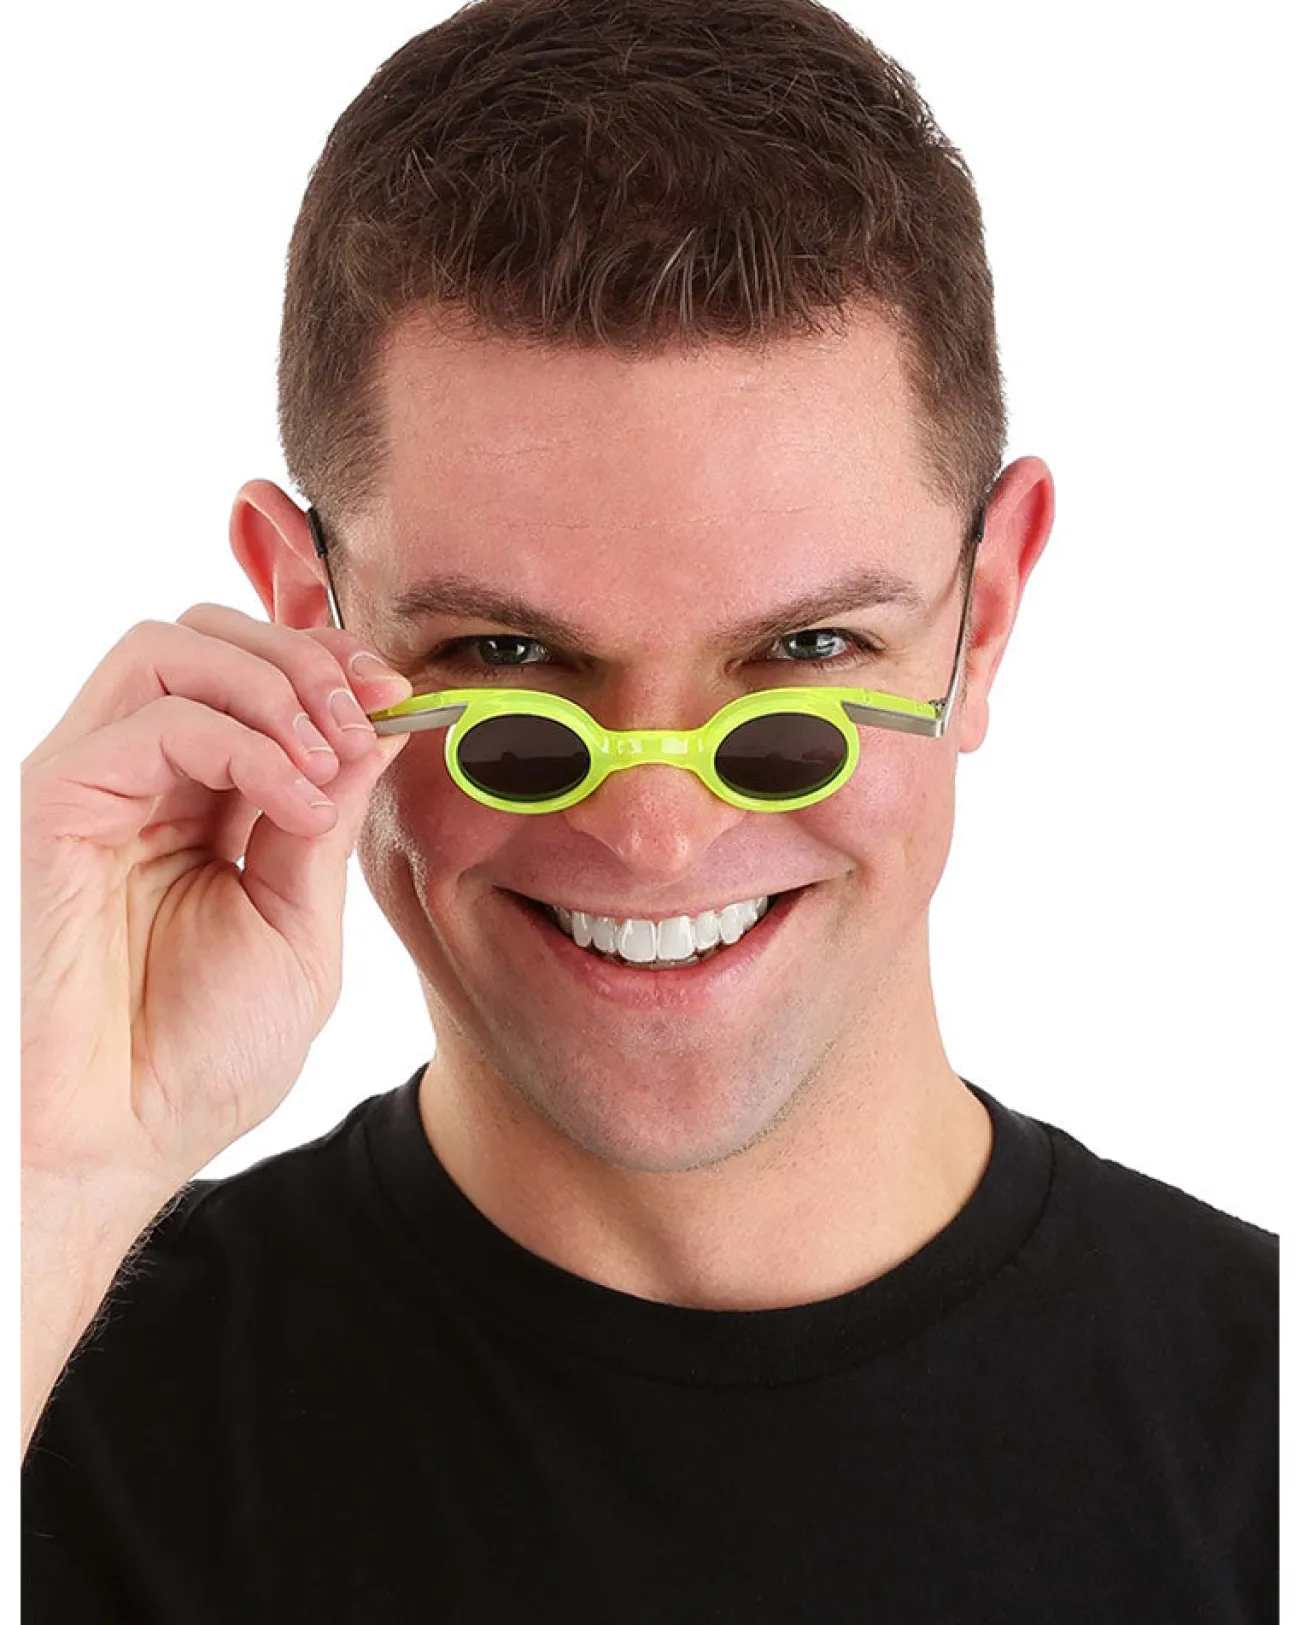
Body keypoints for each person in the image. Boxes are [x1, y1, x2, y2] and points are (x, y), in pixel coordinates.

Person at [20, 0, 1277, 1619]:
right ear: (305, 614)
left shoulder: (1266, 1437)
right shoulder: (48, 1392)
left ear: (987, 617)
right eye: (507, 660)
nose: (659, 836)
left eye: (806, 654)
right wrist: (52, 1178)